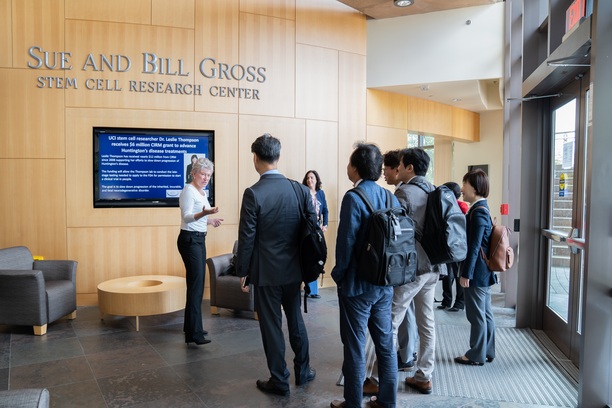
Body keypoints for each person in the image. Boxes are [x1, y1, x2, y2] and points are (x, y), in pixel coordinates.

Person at [236, 133, 316, 397]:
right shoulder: (301, 190)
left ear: (256, 159)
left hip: (266, 272)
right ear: (278, 157)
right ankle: (303, 372)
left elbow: (246, 240)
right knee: (296, 320)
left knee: (271, 326)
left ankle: (279, 380)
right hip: (295, 271)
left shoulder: (253, 194)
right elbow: (313, 230)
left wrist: (243, 273)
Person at [330, 143, 398, 408]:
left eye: (349, 162)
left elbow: (345, 242)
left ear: (355, 167)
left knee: (355, 346)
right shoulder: (389, 196)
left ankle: (352, 404)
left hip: (357, 286)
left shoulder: (353, 198)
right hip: (384, 282)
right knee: (385, 344)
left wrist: (339, 275)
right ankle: (387, 401)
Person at [392, 147, 445, 395]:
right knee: (427, 323)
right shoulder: (435, 189)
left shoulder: (404, 192)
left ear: (410, 167)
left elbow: (395, 234)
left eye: (401, 164)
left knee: (390, 321)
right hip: (435, 266)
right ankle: (424, 375)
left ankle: (384, 378)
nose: (398, 168)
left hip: (413, 267)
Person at [177, 157, 223, 346]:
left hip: (198, 239)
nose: (206, 178)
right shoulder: (188, 191)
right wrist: (205, 213)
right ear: (193, 173)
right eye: (203, 174)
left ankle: (192, 327)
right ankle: (193, 334)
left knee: (196, 285)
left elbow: (199, 217)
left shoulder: (202, 192)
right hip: (189, 241)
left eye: (209, 175)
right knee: (196, 286)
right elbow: (187, 217)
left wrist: (210, 221)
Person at [455, 169, 496, 366]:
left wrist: (466, 273)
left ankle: (475, 354)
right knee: (485, 313)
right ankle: (487, 351)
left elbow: (473, 247)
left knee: (476, 314)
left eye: (465, 184)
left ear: (475, 187)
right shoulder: (483, 209)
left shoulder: (478, 213)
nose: (462, 188)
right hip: (483, 271)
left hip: (477, 272)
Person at [438, 181, 469, 312]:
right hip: (451, 245)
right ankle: (447, 301)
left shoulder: (461, 207)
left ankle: (459, 302)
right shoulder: (457, 206)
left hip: (457, 246)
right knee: (448, 275)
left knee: (456, 275)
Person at [302, 170, 328, 299]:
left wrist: (325, 225)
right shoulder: (304, 193)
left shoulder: (321, 194)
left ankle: (314, 289)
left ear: (316, 180)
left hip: (318, 230)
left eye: (312, 178)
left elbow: (325, 211)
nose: (309, 180)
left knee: (318, 254)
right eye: (307, 178)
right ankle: (308, 287)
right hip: (308, 229)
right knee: (308, 256)